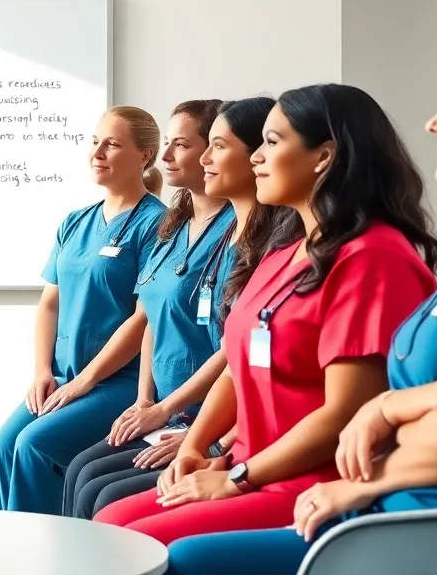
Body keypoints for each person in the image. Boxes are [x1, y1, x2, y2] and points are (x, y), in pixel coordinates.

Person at [166, 29, 437, 574]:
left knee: (180, 562)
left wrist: (364, 474)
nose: (433, 122)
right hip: (401, 511)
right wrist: (390, 407)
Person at [92, 83, 437, 545]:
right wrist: (197, 448)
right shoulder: (284, 251)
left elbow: (345, 411)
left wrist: (236, 476)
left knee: (133, 546)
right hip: (249, 466)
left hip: (310, 483)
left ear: (324, 156)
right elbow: (236, 370)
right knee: (106, 527)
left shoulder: (374, 259)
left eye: (272, 143)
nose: (257, 157)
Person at [64, 97, 291, 519]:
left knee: (103, 495)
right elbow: (148, 314)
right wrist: (147, 401)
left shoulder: (266, 249)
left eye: (213, 147)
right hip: (182, 416)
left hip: (207, 423)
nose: (198, 158)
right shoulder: (174, 228)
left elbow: (235, 357)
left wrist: (201, 437)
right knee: (83, 472)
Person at [0, 106, 168, 515]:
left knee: (35, 446)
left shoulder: (158, 225)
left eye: (113, 144)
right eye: (94, 141)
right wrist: (41, 371)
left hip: (116, 381)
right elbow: (50, 302)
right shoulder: (75, 221)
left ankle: (41, 556)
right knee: (1, 449)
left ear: (145, 155)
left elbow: (144, 319)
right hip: (63, 375)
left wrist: (85, 381)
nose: (98, 151)